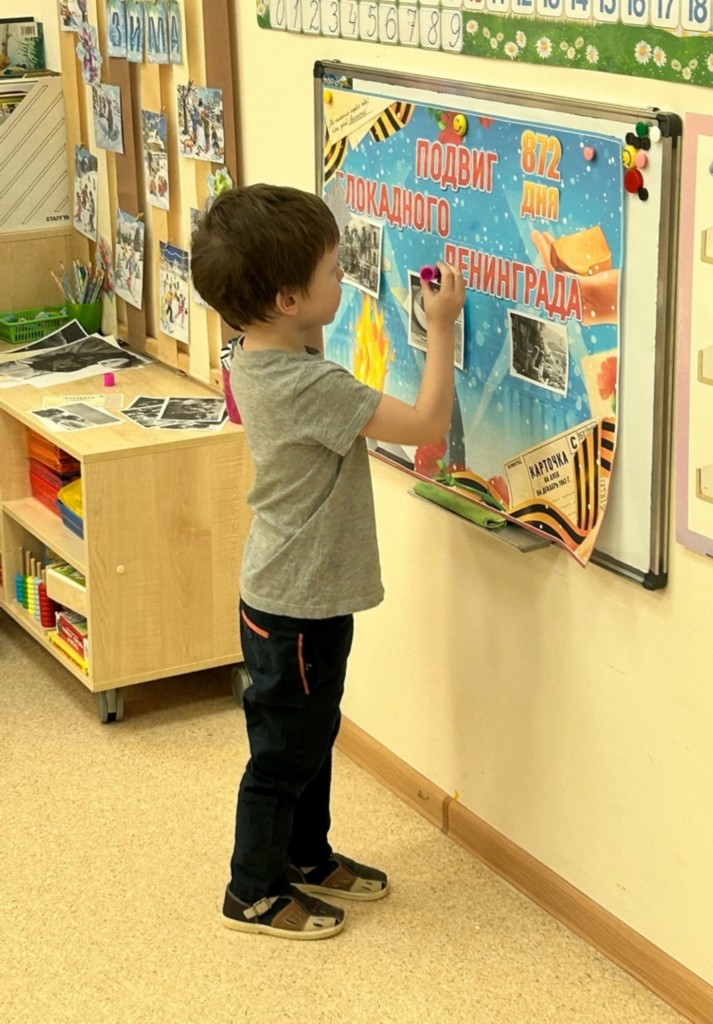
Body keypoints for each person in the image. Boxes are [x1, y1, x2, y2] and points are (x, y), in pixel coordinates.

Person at [190, 184, 465, 941]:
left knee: (309, 735)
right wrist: (440, 327)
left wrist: (314, 300)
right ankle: (251, 892)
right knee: (284, 756)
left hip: (292, 593)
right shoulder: (311, 384)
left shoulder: (252, 350)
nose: (344, 276)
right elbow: (426, 425)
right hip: (296, 605)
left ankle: (305, 856)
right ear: (286, 300)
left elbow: (305, 329)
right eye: (333, 270)